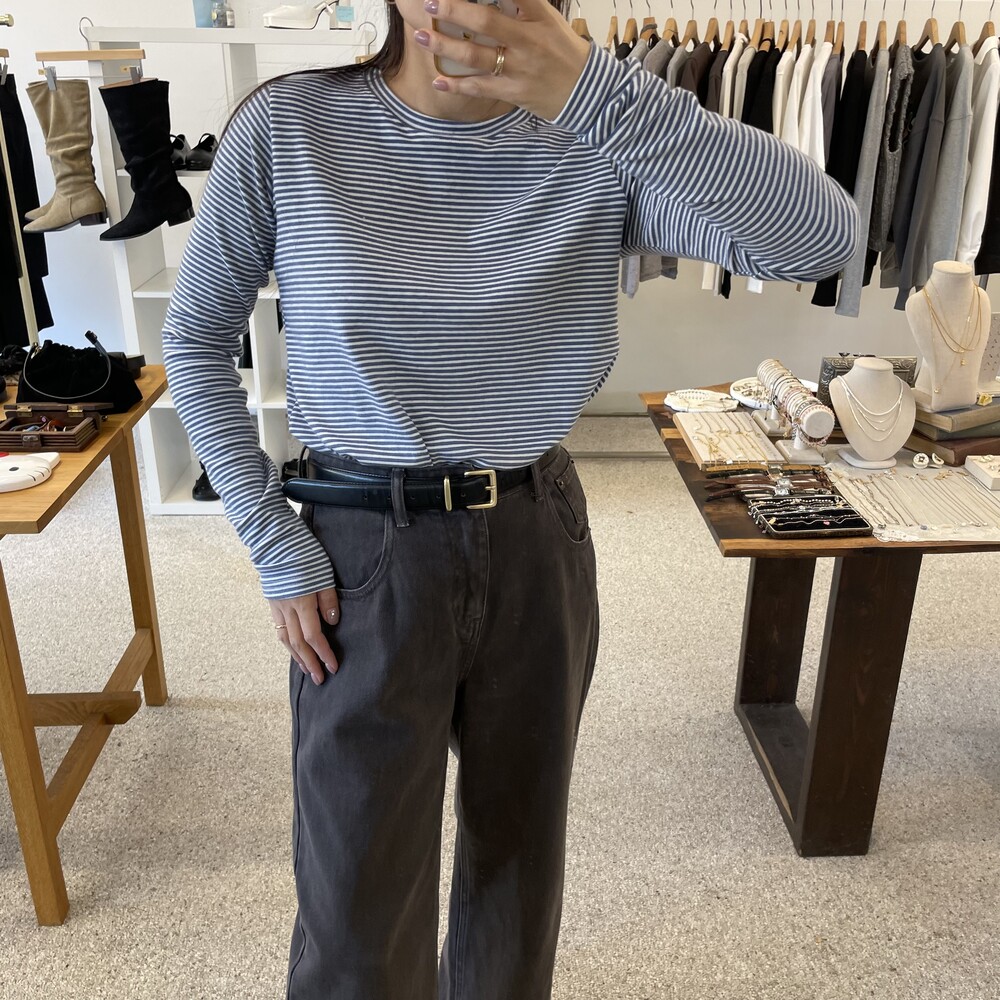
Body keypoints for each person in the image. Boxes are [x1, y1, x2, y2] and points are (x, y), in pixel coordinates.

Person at [162, 0, 858, 995]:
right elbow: (195, 339)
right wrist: (271, 536)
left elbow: (819, 239)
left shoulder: (600, 131)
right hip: (362, 547)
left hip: (536, 530)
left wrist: (595, 92)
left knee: (519, 867)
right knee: (356, 892)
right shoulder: (292, 125)